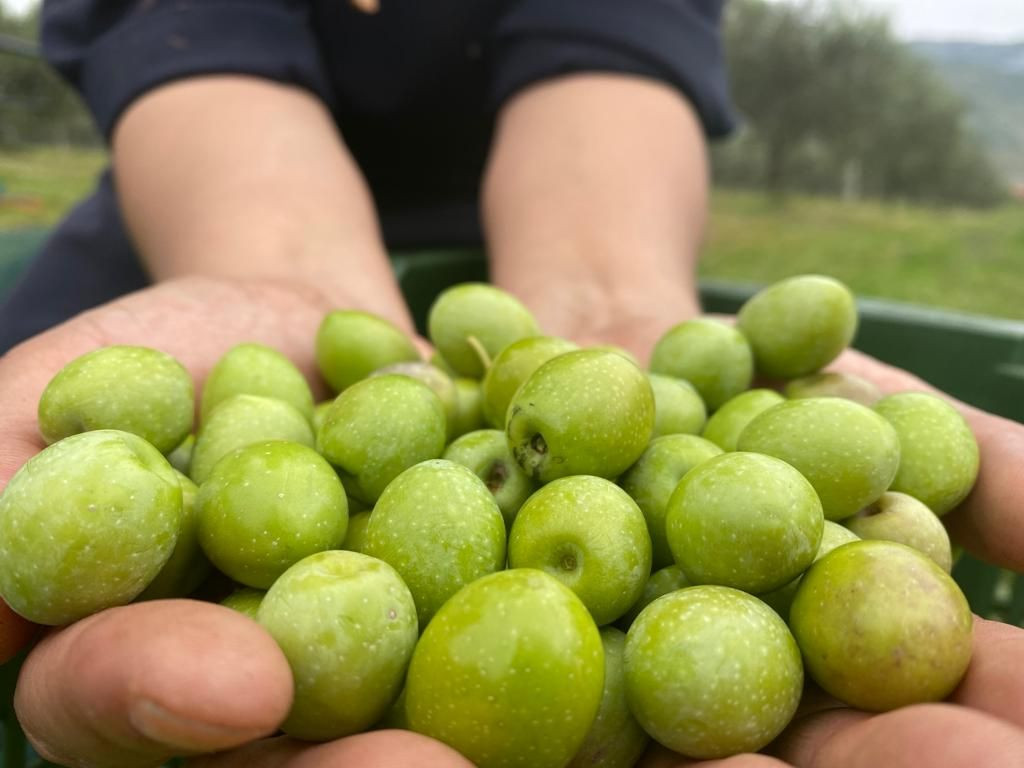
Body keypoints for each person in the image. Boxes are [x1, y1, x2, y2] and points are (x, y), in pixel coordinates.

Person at [0, 2, 1022, 766]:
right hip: (193, 201)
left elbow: (613, 34)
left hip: (536, 239)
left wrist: (611, 288)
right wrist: (276, 266)